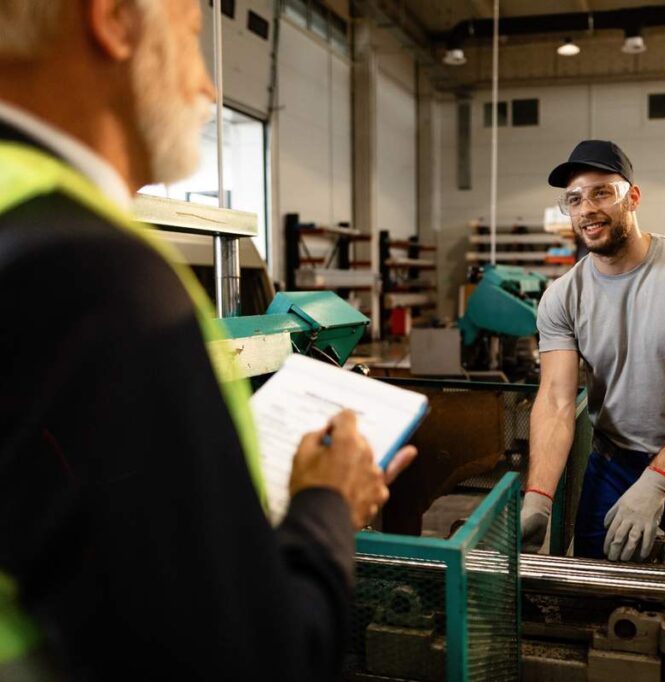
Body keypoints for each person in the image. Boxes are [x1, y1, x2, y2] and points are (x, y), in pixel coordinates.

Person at [0, 1, 414, 679]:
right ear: (114, 22)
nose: (209, 87)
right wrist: (328, 506)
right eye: (192, 40)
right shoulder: (94, 280)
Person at [521, 139, 665, 680]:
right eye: (574, 199)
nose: (587, 209)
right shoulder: (563, 295)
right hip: (611, 470)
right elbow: (558, 399)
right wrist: (538, 496)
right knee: (609, 635)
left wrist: (658, 482)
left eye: (601, 192)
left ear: (633, 196)